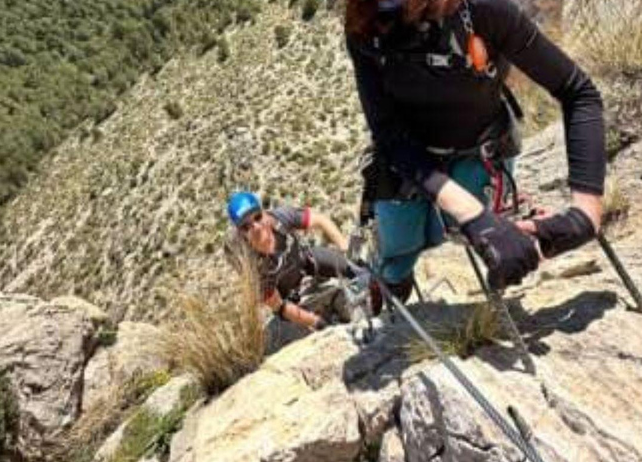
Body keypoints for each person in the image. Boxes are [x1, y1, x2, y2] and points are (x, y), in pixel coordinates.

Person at [345, 0, 606, 300]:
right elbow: (388, 134)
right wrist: (472, 213)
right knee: (399, 244)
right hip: (408, 154)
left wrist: (585, 212)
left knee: (453, 231)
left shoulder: (484, 10)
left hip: (479, 149)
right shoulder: (364, 22)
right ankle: (393, 283)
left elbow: (578, 91)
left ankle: (395, 279)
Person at [225, 191, 380, 336]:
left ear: (264, 213)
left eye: (257, 217)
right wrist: (317, 323)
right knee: (319, 319)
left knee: (353, 266)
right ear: (241, 233)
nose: (256, 227)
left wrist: (344, 247)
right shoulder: (252, 266)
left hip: (306, 262)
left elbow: (319, 219)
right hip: (288, 297)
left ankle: (381, 288)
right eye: (246, 226)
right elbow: (279, 306)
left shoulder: (281, 218)